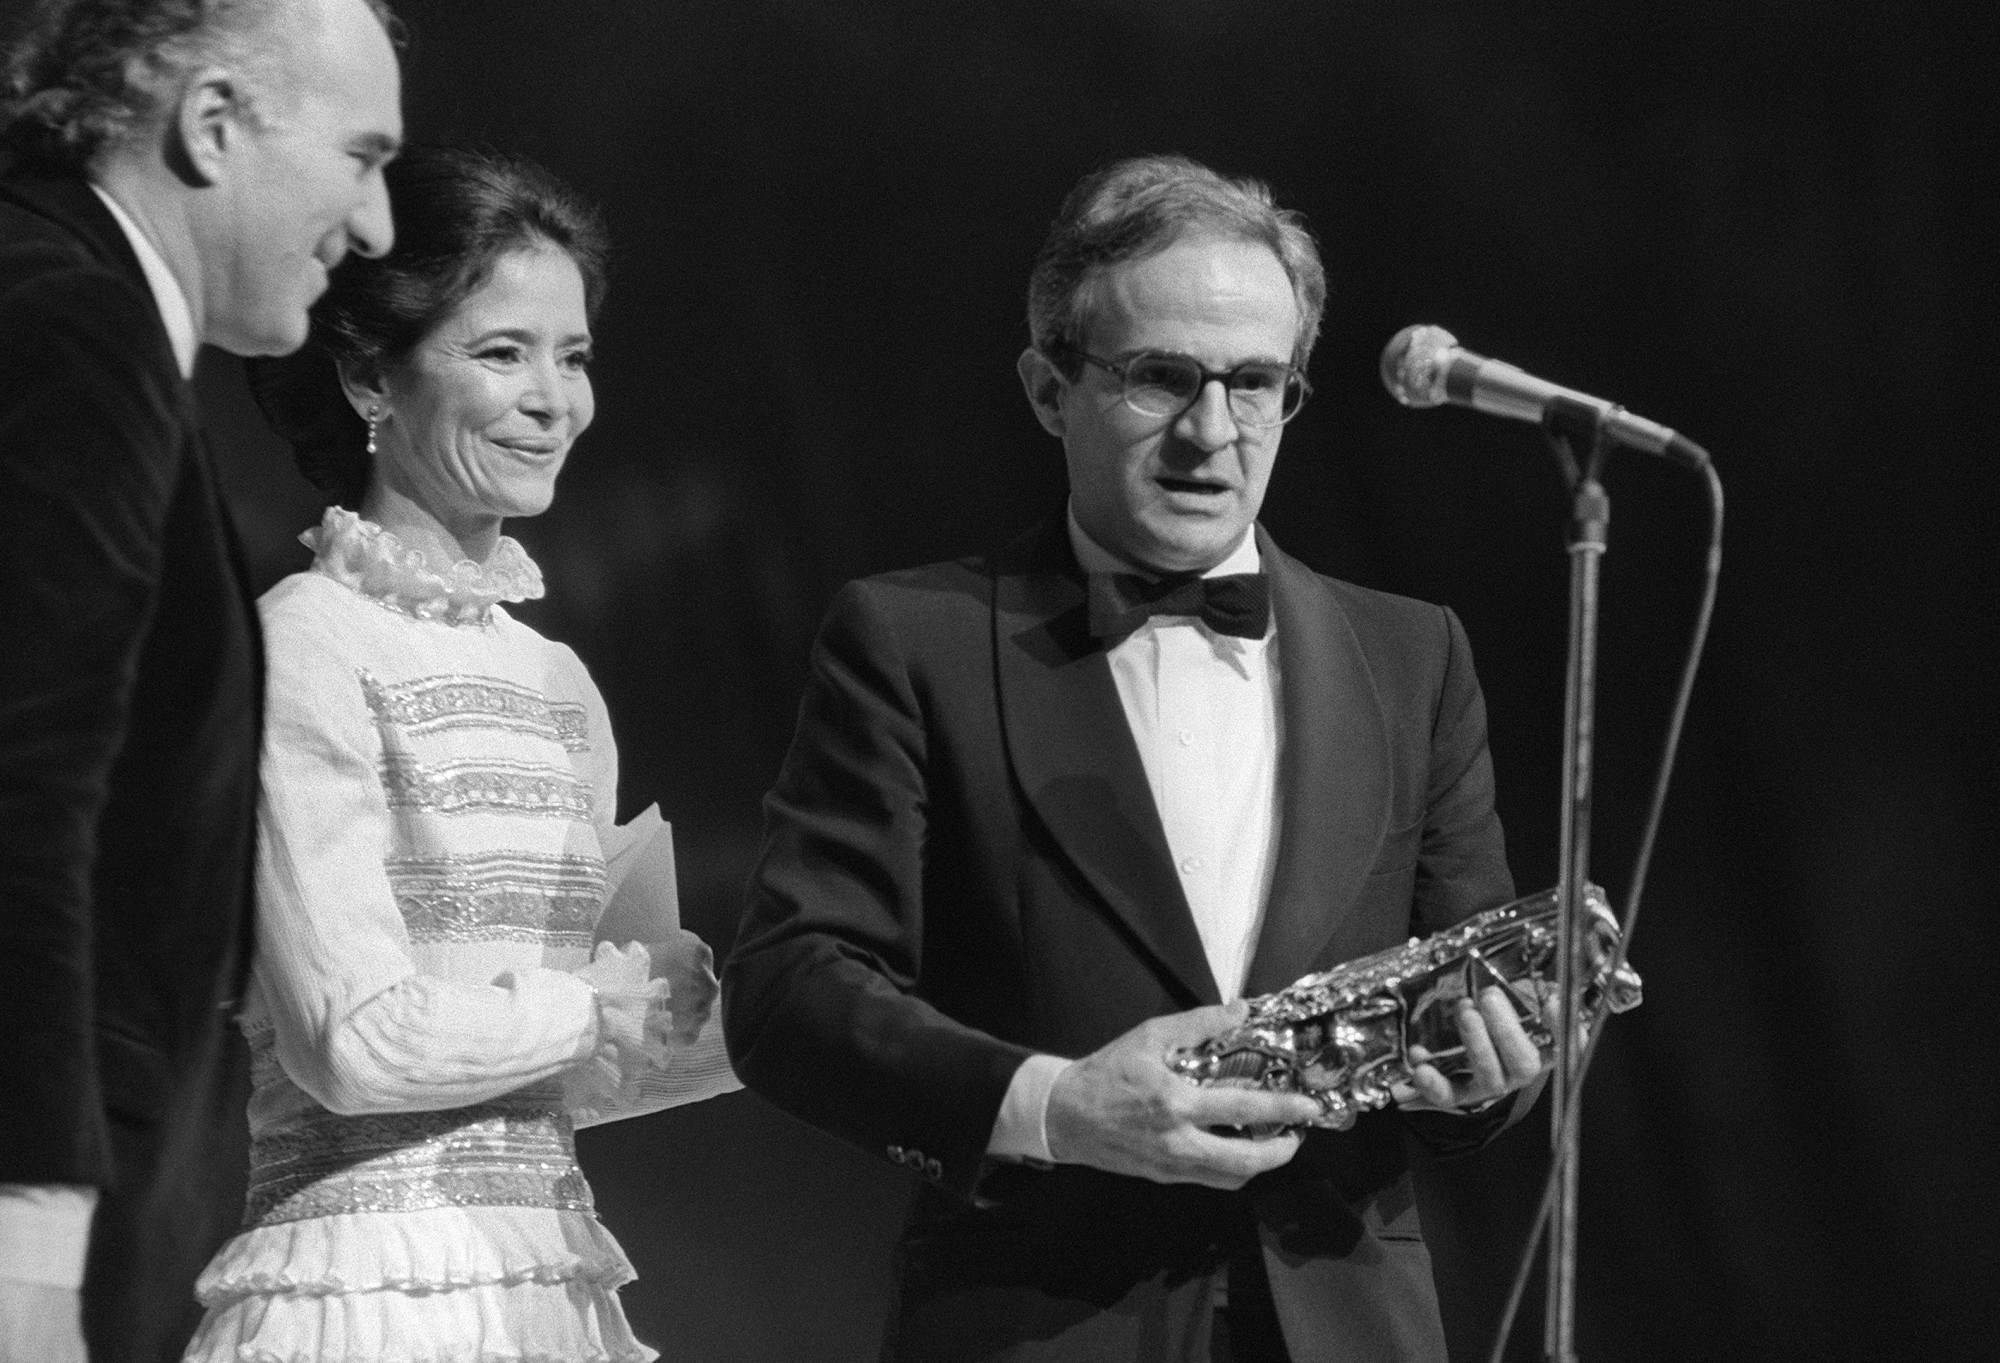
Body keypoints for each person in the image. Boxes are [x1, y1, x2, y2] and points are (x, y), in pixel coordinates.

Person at [724, 154, 1551, 1362]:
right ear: (1047, 386)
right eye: (1161, 377)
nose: (1210, 432)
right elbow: (789, 990)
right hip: (1038, 1325)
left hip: (1347, 1327)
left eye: (1254, 383)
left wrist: (1487, 1072)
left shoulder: (1411, 654)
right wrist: (1057, 1106)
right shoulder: (910, 640)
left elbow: (1469, 995)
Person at [176, 144, 737, 1363]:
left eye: (573, 355)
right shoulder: (306, 644)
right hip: (361, 1293)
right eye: (502, 352)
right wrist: (600, 1002)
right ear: (371, 374)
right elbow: (357, 1041)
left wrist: (750, 1016)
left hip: (547, 1281)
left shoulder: (556, 683)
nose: (555, 398)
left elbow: (577, 1074)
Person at [0, 2, 401, 1360]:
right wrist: (29, 1246)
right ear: (214, 123)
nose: (379, 224)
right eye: (362, 156)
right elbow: (22, 800)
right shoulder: (73, 323)